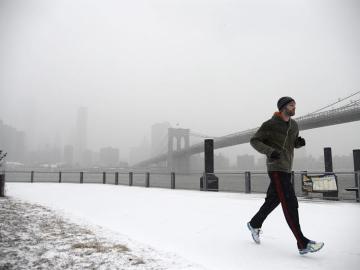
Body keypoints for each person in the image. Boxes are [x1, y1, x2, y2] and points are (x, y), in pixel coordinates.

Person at [247, 96, 324, 255]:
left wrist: (298, 143)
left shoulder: (294, 125)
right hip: (275, 167)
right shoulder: (269, 125)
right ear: (283, 107)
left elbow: (291, 143)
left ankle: (254, 223)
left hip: (287, 167)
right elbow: (254, 141)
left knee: (274, 199)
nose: (294, 107)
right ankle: (302, 243)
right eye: (291, 105)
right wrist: (270, 151)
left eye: (295, 105)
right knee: (289, 202)